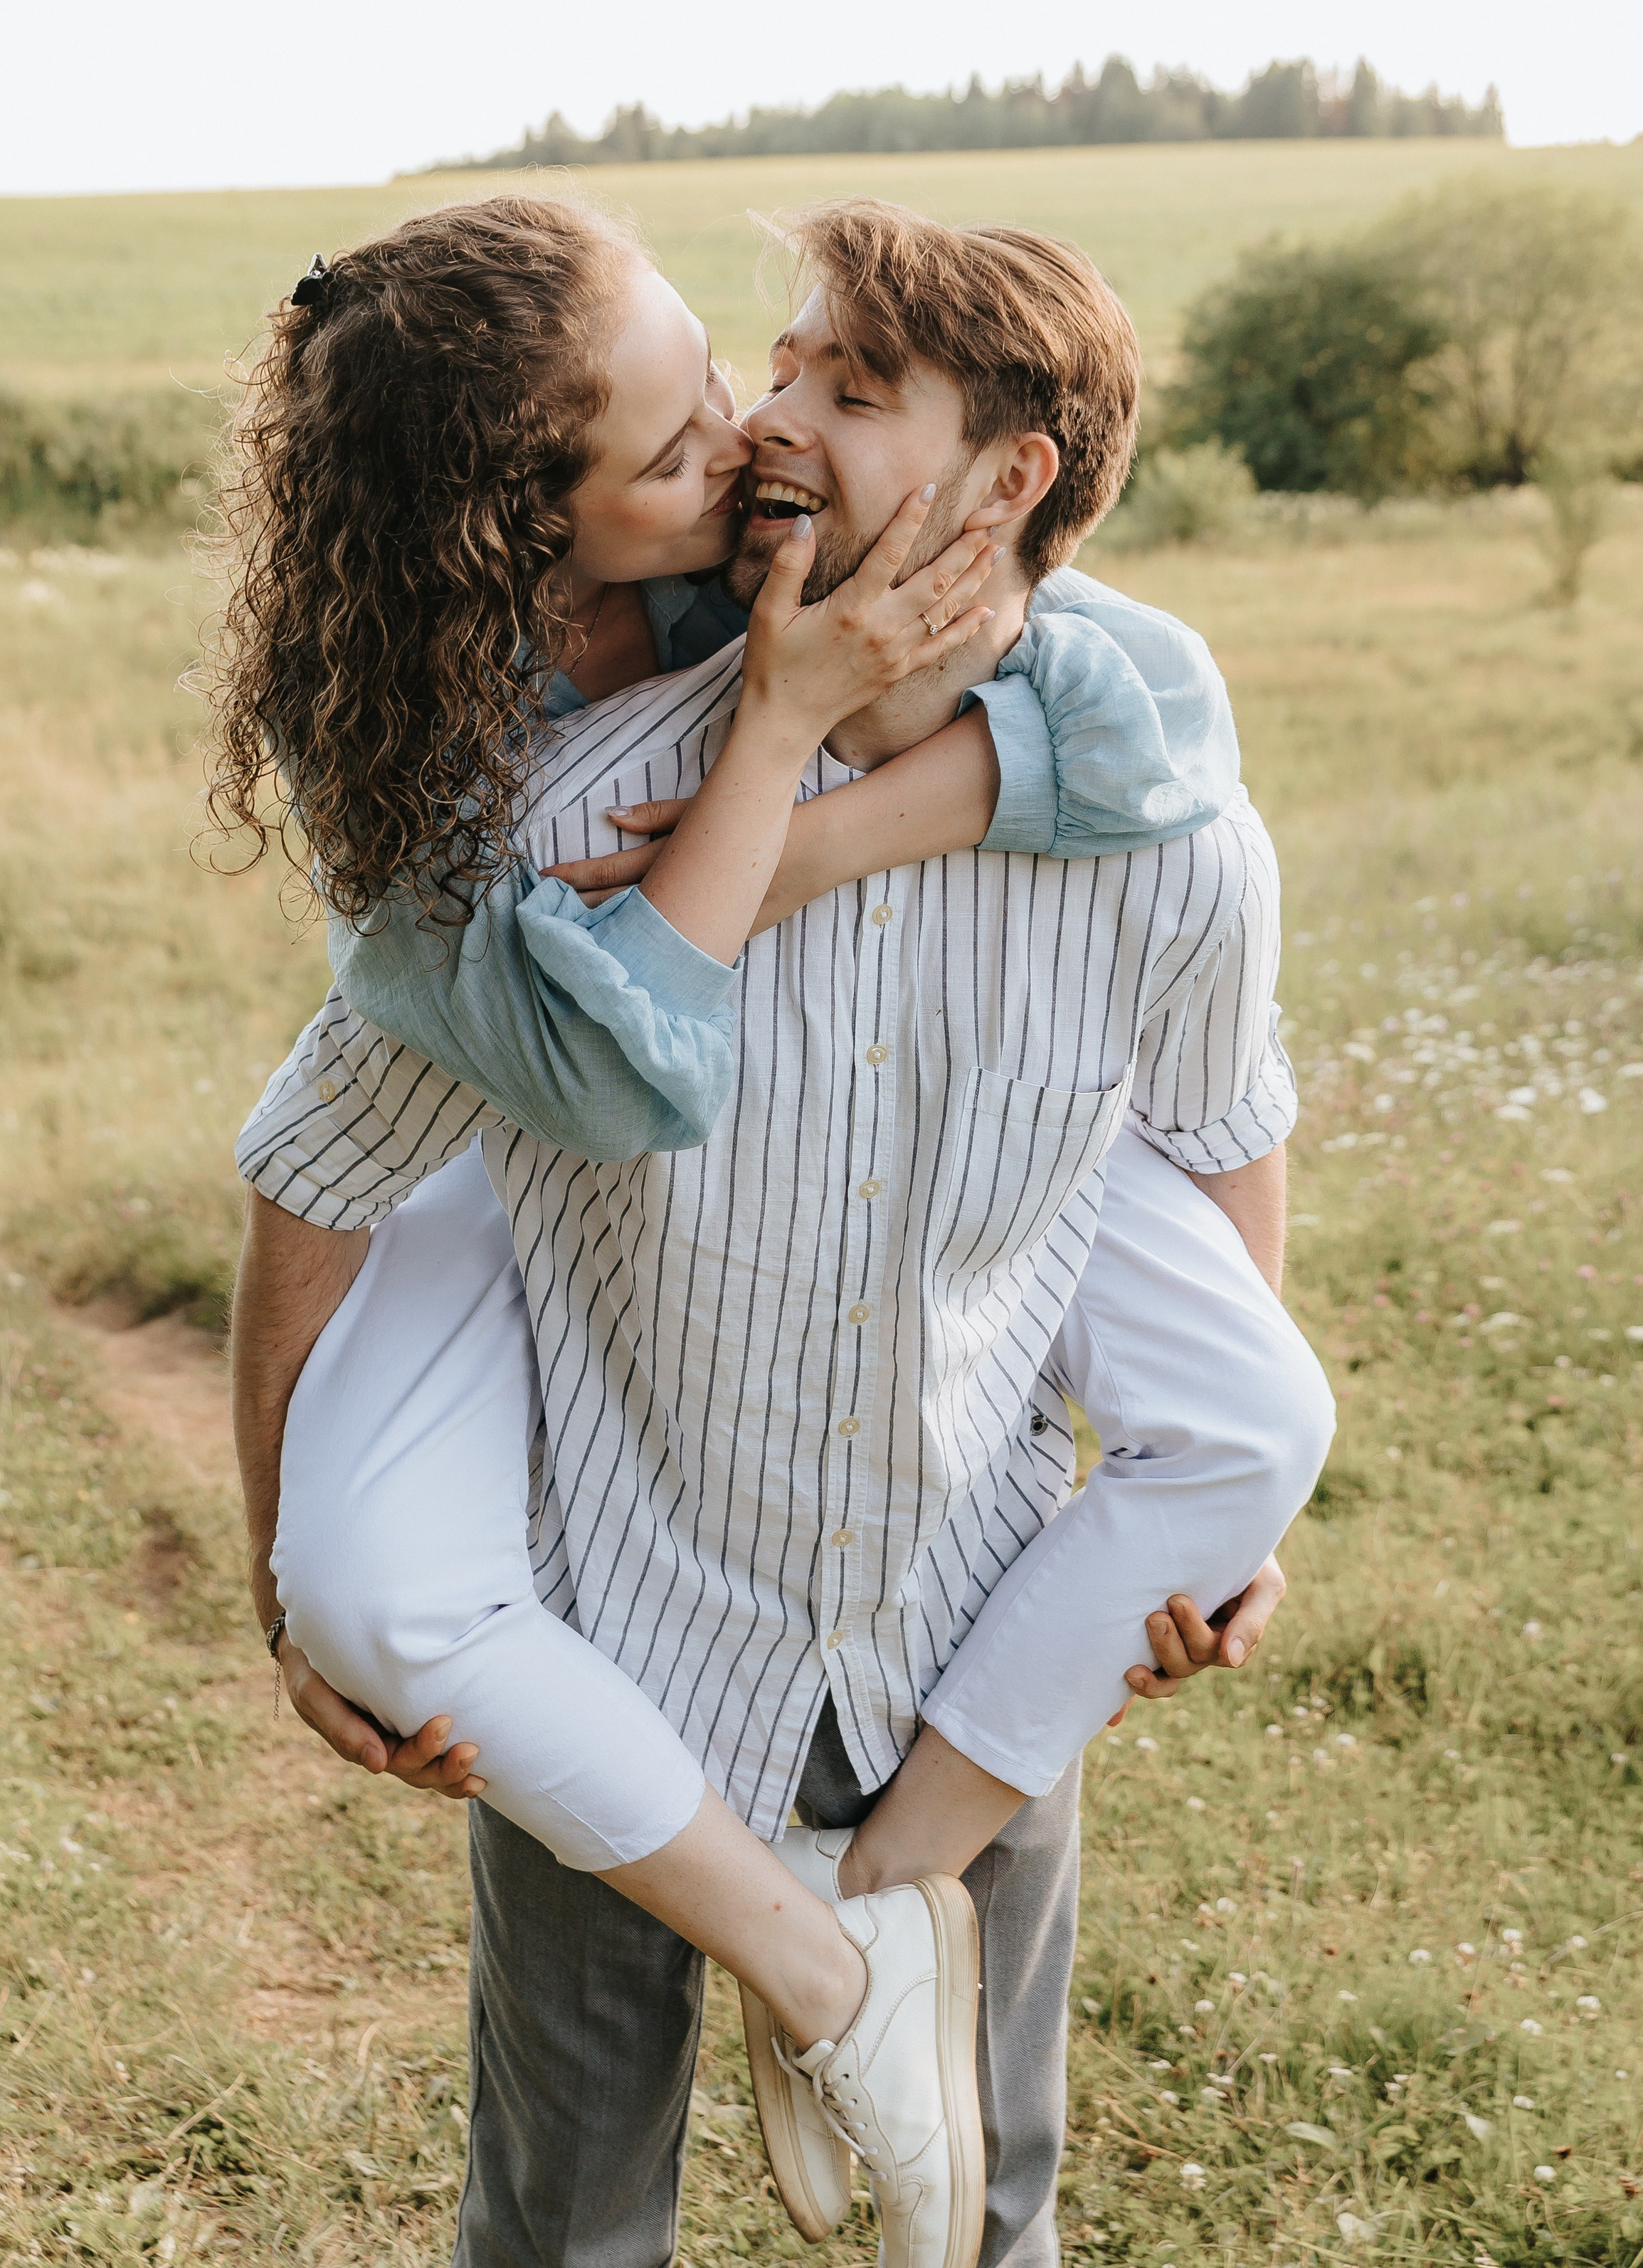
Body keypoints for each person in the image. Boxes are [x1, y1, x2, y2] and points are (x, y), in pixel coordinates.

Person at [220, 197, 1332, 2268]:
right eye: (751, 387)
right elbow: (331, 1158)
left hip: (961, 1620)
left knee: (987, 2210)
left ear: (1008, 480)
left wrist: (1211, 1522)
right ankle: (824, 1971)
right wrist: (296, 1587)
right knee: (564, 2222)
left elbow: (1213, 1133)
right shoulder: (544, 838)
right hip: (624, 1609)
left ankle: (883, 1931)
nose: (764, 432)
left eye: (834, 384)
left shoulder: (1165, 826)